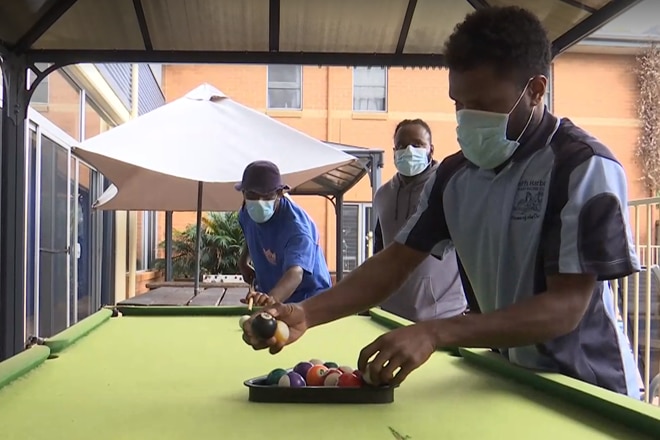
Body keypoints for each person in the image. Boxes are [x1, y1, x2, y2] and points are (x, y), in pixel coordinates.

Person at [242, 6, 643, 400]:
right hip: (508, 381)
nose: (467, 117)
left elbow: (565, 307)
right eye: (458, 103)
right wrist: (308, 314)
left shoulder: (582, 167)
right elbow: (396, 261)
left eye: (482, 103)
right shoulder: (453, 176)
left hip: (590, 389)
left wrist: (436, 331)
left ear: (536, 90)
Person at [373, 119, 467, 321]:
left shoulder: (448, 186)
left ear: (430, 149)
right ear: (394, 151)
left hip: (443, 313)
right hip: (390, 314)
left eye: (417, 145)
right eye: (402, 146)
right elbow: (380, 251)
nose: (409, 151)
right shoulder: (383, 195)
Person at [236, 160, 332, 306]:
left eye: (267, 196)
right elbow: (252, 235)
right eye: (252, 195)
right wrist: (243, 261)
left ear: (280, 193)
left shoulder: (297, 229)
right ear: (243, 193)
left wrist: (270, 300)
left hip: (309, 301)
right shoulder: (246, 213)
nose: (259, 202)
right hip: (272, 294)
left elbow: (296, 273)